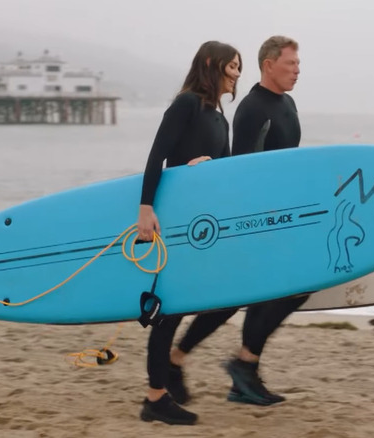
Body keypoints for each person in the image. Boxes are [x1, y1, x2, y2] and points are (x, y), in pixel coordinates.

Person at [166, 35, 304, 407]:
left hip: (280, 217)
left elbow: (286, 165)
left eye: (298, 63)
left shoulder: (287, 104)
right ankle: (231, 366)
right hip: (256, 220)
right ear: (269, 64)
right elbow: (242, 169)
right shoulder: (252, 109)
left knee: (281, 290)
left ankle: (232, 366)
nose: (297, 70)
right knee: (240, 297)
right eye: (290, 63)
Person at [137, 40, 242, 426]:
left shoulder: (219, 117)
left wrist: (209, 167)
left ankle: (169, 371)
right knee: (170, 311)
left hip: (204, 227)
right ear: (212, 65)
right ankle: (155, 398)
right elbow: (158, 155)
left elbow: (224, 173)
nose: (236, 76)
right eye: (232, 67)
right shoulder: (186, 104)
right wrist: (145, 208)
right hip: (177, 223)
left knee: (225, 298)